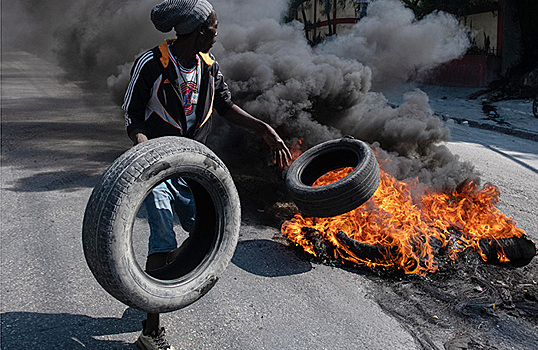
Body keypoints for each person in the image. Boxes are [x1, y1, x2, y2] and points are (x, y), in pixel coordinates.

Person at [121, 0, 292, 349]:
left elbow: (225, 106)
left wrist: (265, 129)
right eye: (214, 27)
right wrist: (143, 148)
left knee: (206, 233)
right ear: (198, 30)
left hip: (196, 166)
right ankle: (150, 332)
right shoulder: (152, 63)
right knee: (163, 236)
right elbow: (132, 114)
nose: (217, 32)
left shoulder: (210, 67)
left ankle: (157, 281)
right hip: (159, 169)